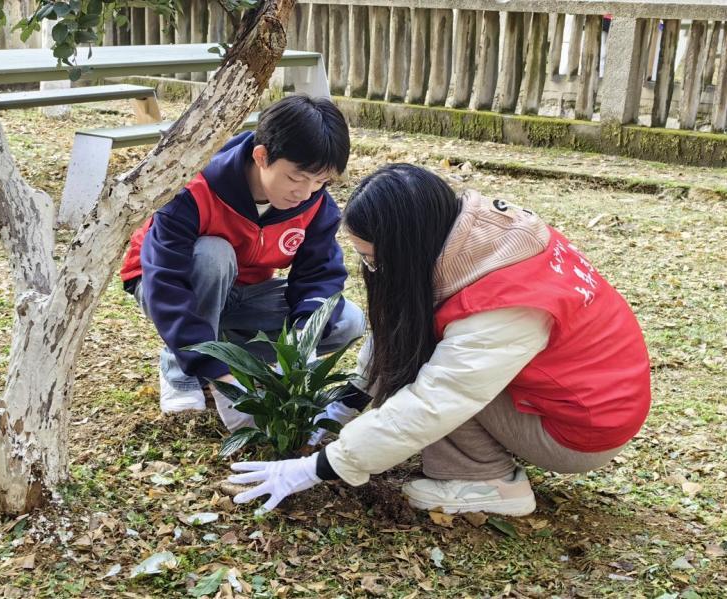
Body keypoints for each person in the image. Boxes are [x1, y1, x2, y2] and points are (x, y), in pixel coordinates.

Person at [227, 164, 651, 515]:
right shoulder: (466, 233)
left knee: (434, 380)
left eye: (373, 260)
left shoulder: (502, 302)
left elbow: (437, 400)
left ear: (405, 248)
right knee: (426, 355)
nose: (370, 271)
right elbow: (404, 321)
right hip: (579, 392)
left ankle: (489, 483)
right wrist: (352, 396)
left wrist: (321, 467)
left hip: (581, 427)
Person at [120, 96, 365, 424]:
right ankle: (182, 368)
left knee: (346, 320)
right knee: (212, 256)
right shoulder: (194, 187)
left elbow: (319, 275)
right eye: (296, 178)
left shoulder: (314, 204)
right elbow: (167, 283)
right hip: (166, 285)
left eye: (320, 182)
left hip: (244, 293)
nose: (305, 193)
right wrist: (224, 382)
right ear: (261, 156)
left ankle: (226, 356)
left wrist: (300, 343)